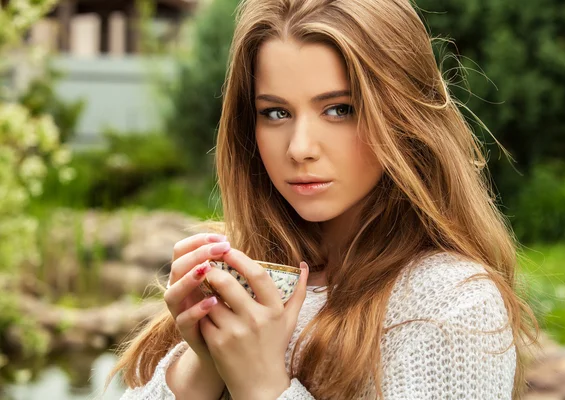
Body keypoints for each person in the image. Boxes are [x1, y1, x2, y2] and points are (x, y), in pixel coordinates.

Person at [106, 0, 537, 398]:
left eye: (339, 109)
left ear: (404, 117)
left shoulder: (451, 304)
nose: (300, 148)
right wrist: (204, 366)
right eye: (276, 112)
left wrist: (263, 385)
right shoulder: (247, 271)